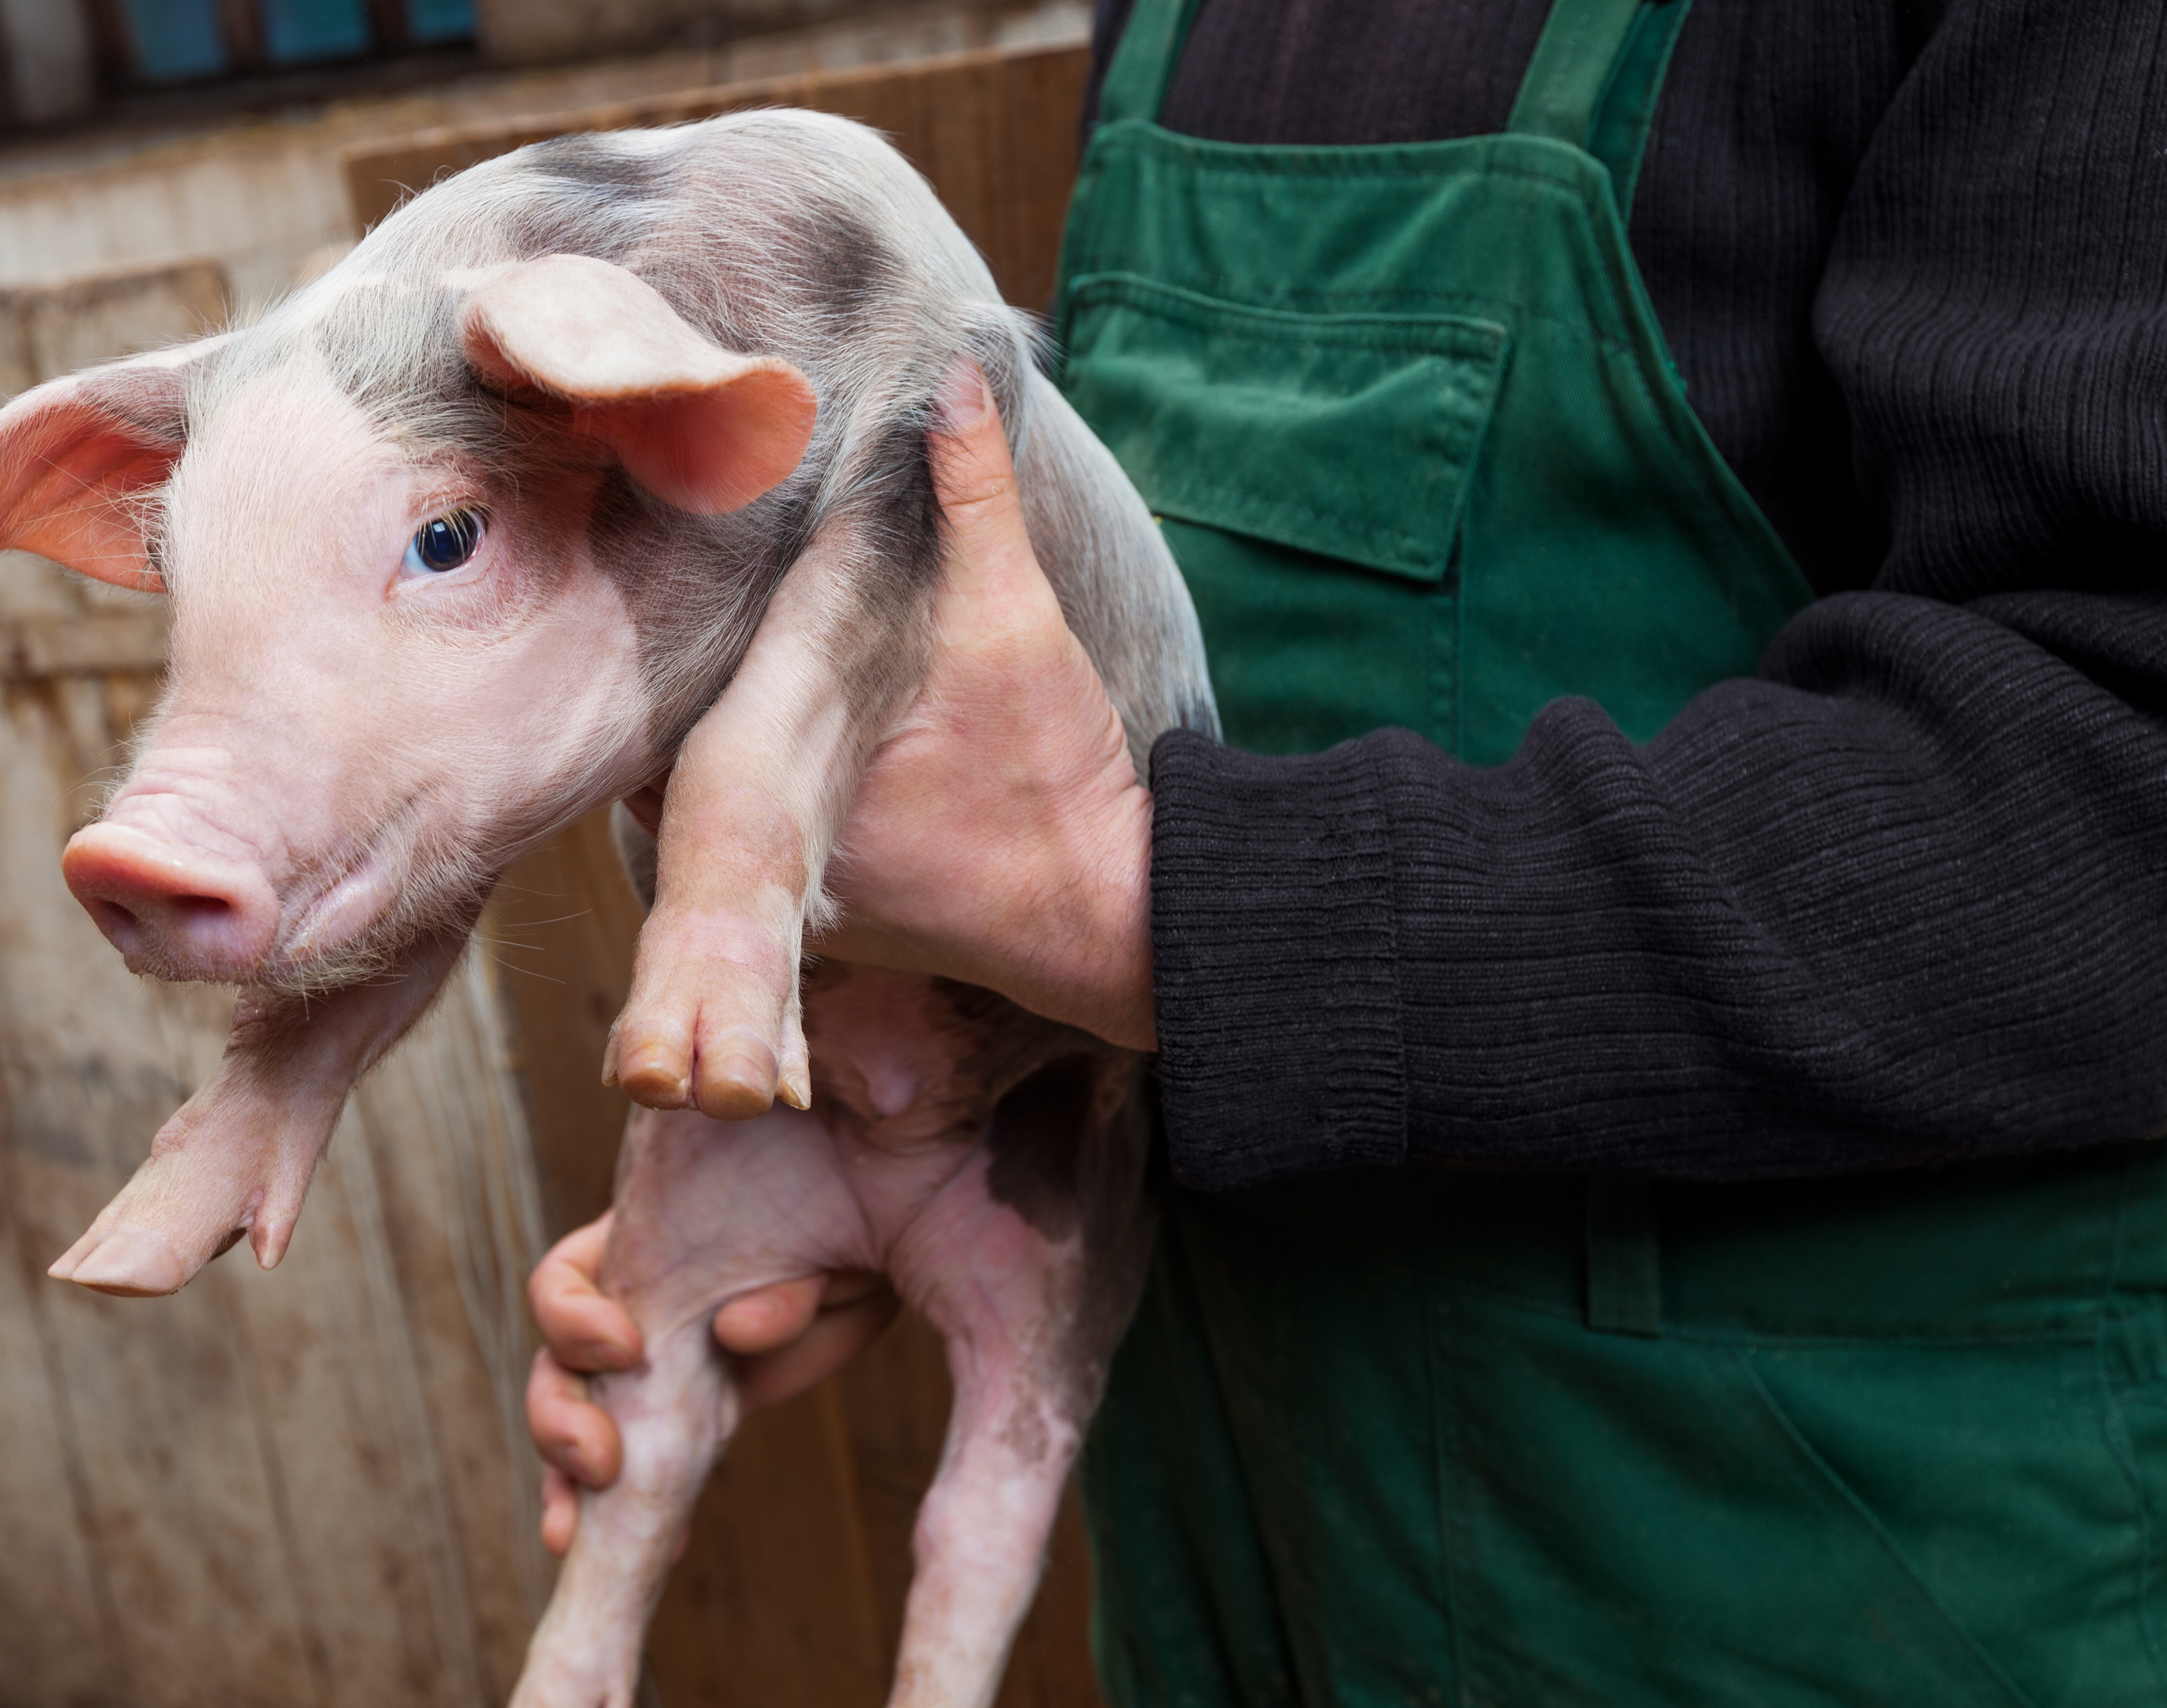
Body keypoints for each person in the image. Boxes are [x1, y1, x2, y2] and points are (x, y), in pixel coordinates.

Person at [527, 0, 2167, 1699]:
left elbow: (2124, 780)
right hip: (1245, 1512)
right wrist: (947, 1107)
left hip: (1810, 1565)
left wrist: (1148, 914)